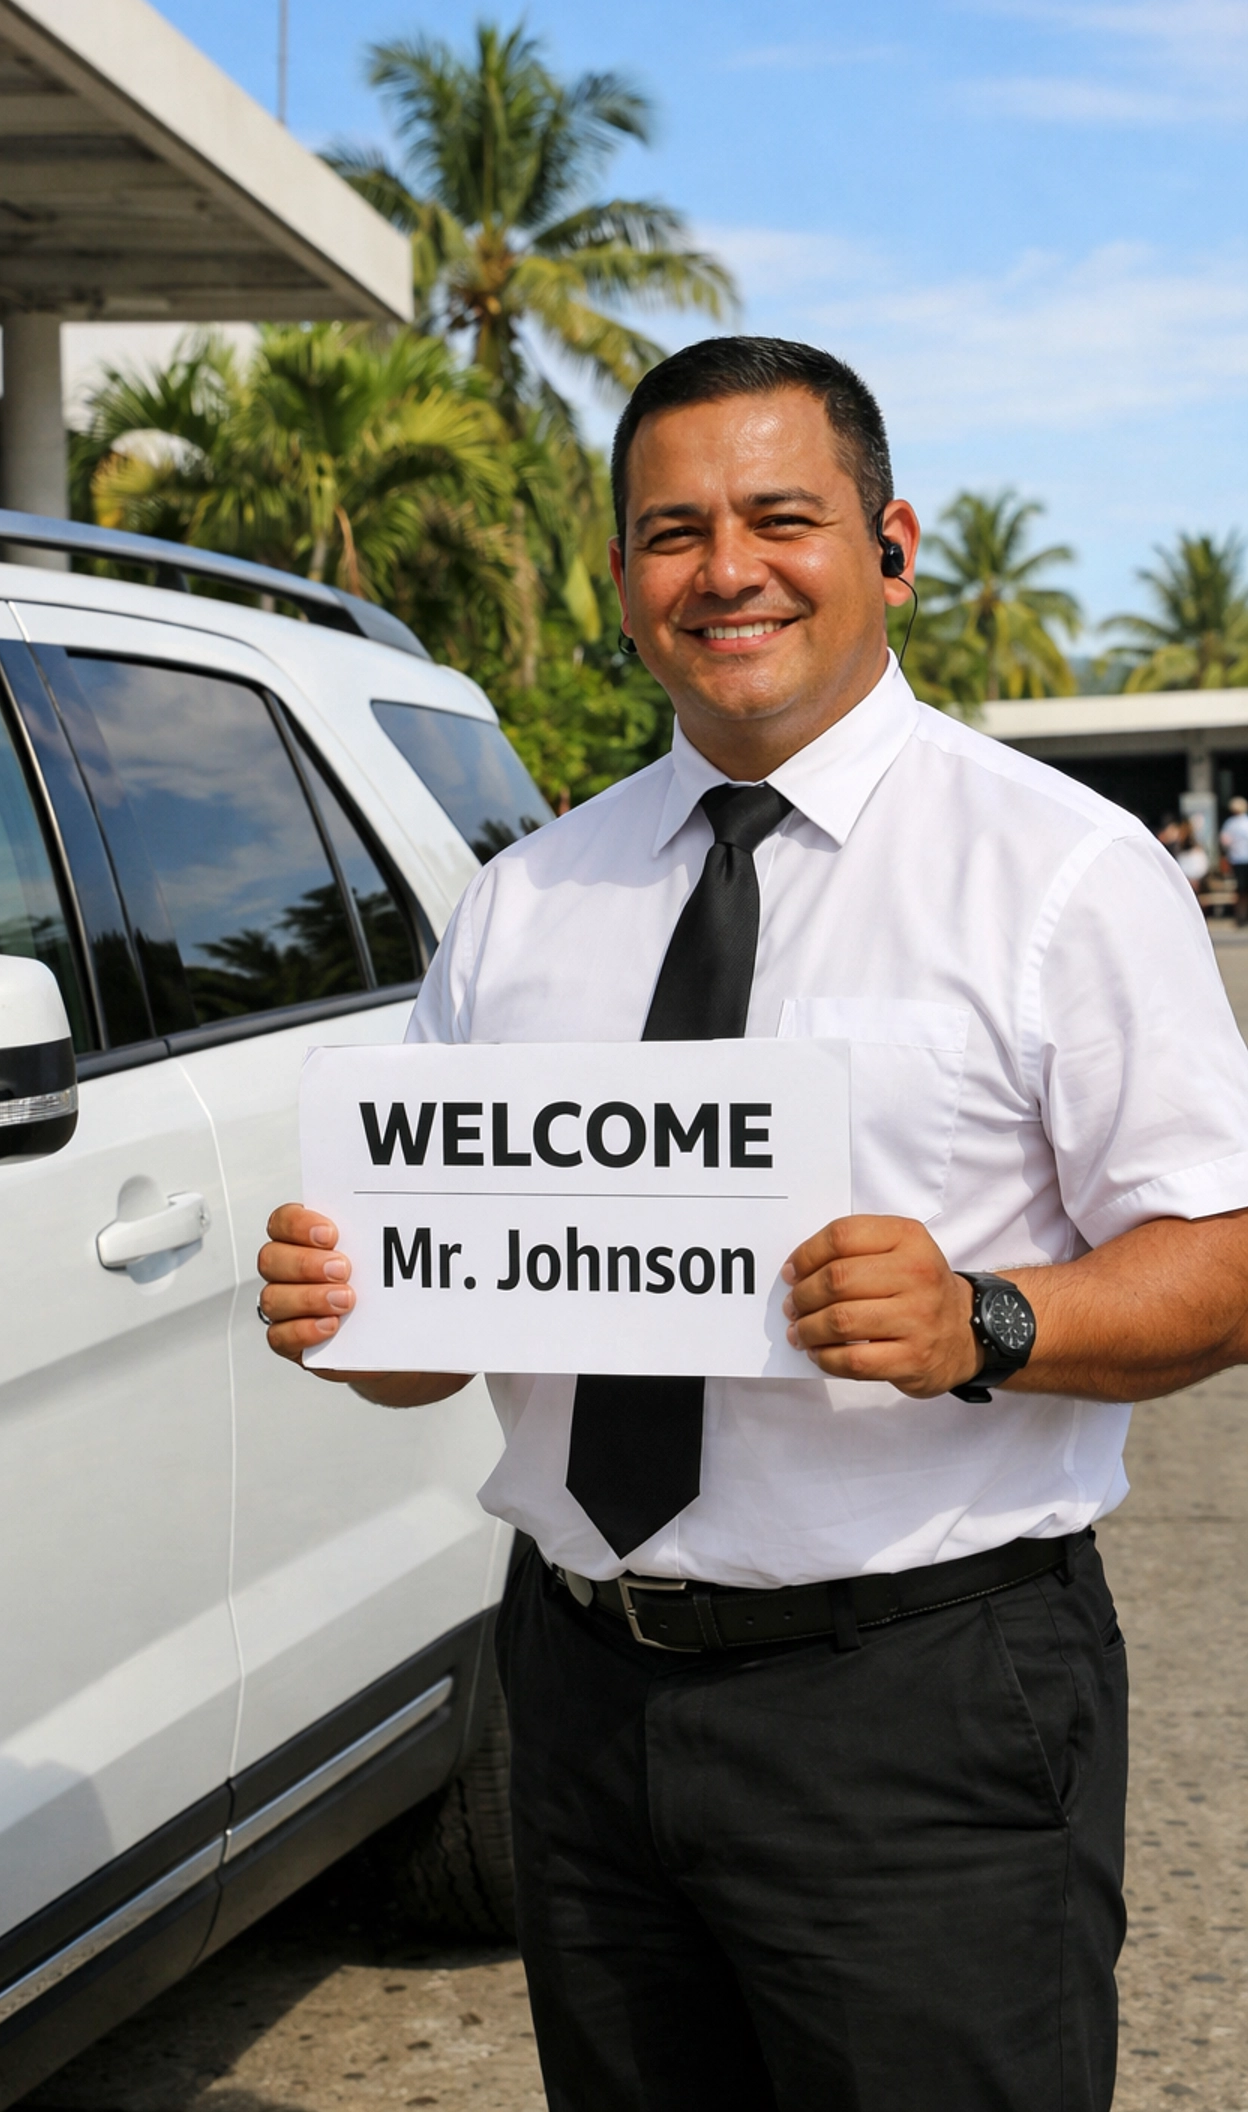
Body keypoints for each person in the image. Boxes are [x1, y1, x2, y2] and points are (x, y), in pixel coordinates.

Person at [258, 336, 1248, 2112]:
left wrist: (987, 1321)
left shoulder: (1061, 872)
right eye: (670, 529)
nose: (725, 568)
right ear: (625, 579)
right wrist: (358, 1304)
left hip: (919, 1704)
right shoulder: (523, 901)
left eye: (779, 516)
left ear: (892, 543)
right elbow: (424, 1357)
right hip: (578, 1686)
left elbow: (1226, 1253)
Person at [1221, 794, 1248, 925]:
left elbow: (1225, 841)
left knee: (1240, 889)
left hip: (1237, 859)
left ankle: (1240, 916)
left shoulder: (1230, 824)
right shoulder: (1245, 822)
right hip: (1243, 858)